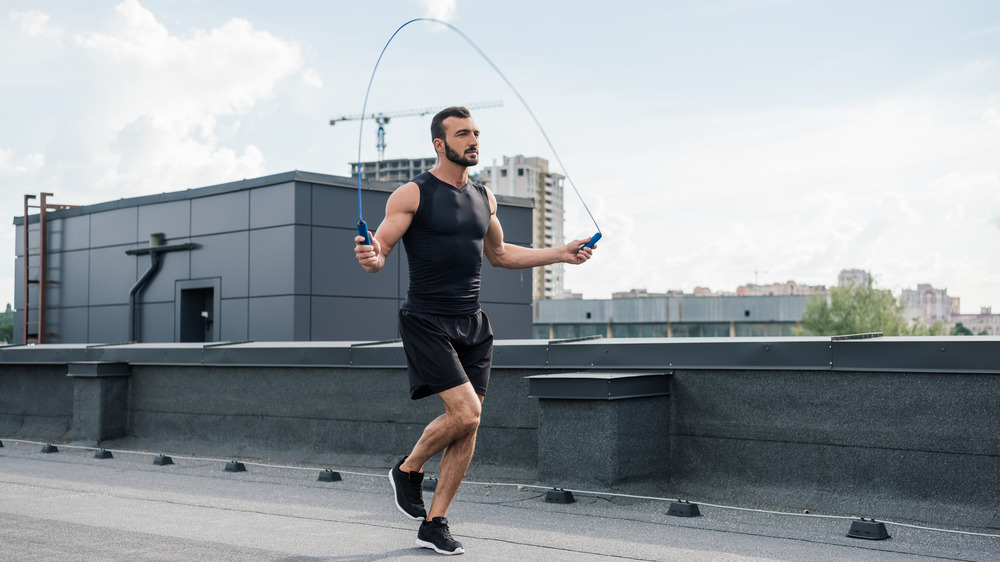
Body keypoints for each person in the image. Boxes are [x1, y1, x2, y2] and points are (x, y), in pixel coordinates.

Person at [354, 106, 596, 555]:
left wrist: (561, 253)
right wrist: (373, 256)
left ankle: (435, 520)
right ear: (439, 144)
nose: (474, 141)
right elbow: (382, 247)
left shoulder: (485, 197)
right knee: (467, 413)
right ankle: (408, 469)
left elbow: (500, 254)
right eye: (463, 133)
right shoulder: (412, 194)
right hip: (427, 319)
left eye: (477, 133)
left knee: (468, 426)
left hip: (474, 323)